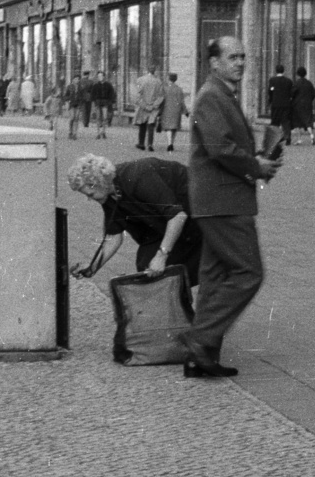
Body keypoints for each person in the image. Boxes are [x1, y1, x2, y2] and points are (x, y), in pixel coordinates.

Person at [181, 36, 280, 379]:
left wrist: (257, 160)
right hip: (223, 202)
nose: (240, 63)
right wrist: (256, 167)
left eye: (243, 57)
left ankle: (202, 358)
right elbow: (218, 147)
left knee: (213, 276)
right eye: (233, 57)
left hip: (218, 199)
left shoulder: (221, 94)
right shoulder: (211, 95)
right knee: (249, 272)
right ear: (214, 63)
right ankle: (199, 338)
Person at [67, 154, 201, 287]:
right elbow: (113, 236)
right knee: (146, 265)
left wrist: (161, 255)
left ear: (98, 182)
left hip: (198, 210)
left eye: (90, 194)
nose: (90, 199)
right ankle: (176, 303)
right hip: (164, 222)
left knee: (201, 270)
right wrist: (92, 268)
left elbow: (178, 216)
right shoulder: (107, 194)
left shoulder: (137, 176)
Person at [133, 66, 166, 151]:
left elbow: (137, 95)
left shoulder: (140, 80)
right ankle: (150, 144)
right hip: (153, 107)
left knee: (142, 124)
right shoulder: (159, 82)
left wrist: (144, 105)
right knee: (151, 125)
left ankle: (141, 143)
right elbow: (161, 96)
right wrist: (154, 105)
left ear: (147, 70)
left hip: (143, 106)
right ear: (155, 71)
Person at [159, 72, 188, 152]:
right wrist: (185, 111)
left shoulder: (165, 88)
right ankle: (172, 143)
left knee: (168, 127)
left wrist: (158, 109)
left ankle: (169, 144)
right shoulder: (179, 89)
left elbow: (161, 99)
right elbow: (182, 101)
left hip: (167, 109)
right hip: (176, 110)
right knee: (174, 127)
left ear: (168, 78)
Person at [266, 64, 295, 146]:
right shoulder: (288, 81)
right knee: (286, 121)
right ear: (283, 71)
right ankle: (288, 137)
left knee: (275, 122)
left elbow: (270, 91)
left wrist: (270, 100)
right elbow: (291, 93)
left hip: (275, 104)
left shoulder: (272, 80)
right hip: (286, 104)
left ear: (276, 71)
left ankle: (275, 139)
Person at [290, 66, 315, 145]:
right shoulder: (309, 83)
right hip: (308, 105)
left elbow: (292, 93)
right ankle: (311, 136)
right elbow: (313, 94)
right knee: (308, 121)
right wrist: (309, 100)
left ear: (298, 74)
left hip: (298, 105)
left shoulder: (297, 83)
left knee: (297, 122)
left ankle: (299, 139)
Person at [92, 74, 115, 139]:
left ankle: (104, 132)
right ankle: (98, 133)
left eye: (101, 76)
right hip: (98, 102)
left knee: (105, 117)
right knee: (98, 117)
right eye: (98, 76)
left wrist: (110, 101)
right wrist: (94, 102)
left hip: (105, 102)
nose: (100, 77)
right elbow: (92, 94)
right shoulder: (95, 85)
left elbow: (112, 93)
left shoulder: (108, 85)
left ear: (104, 77)